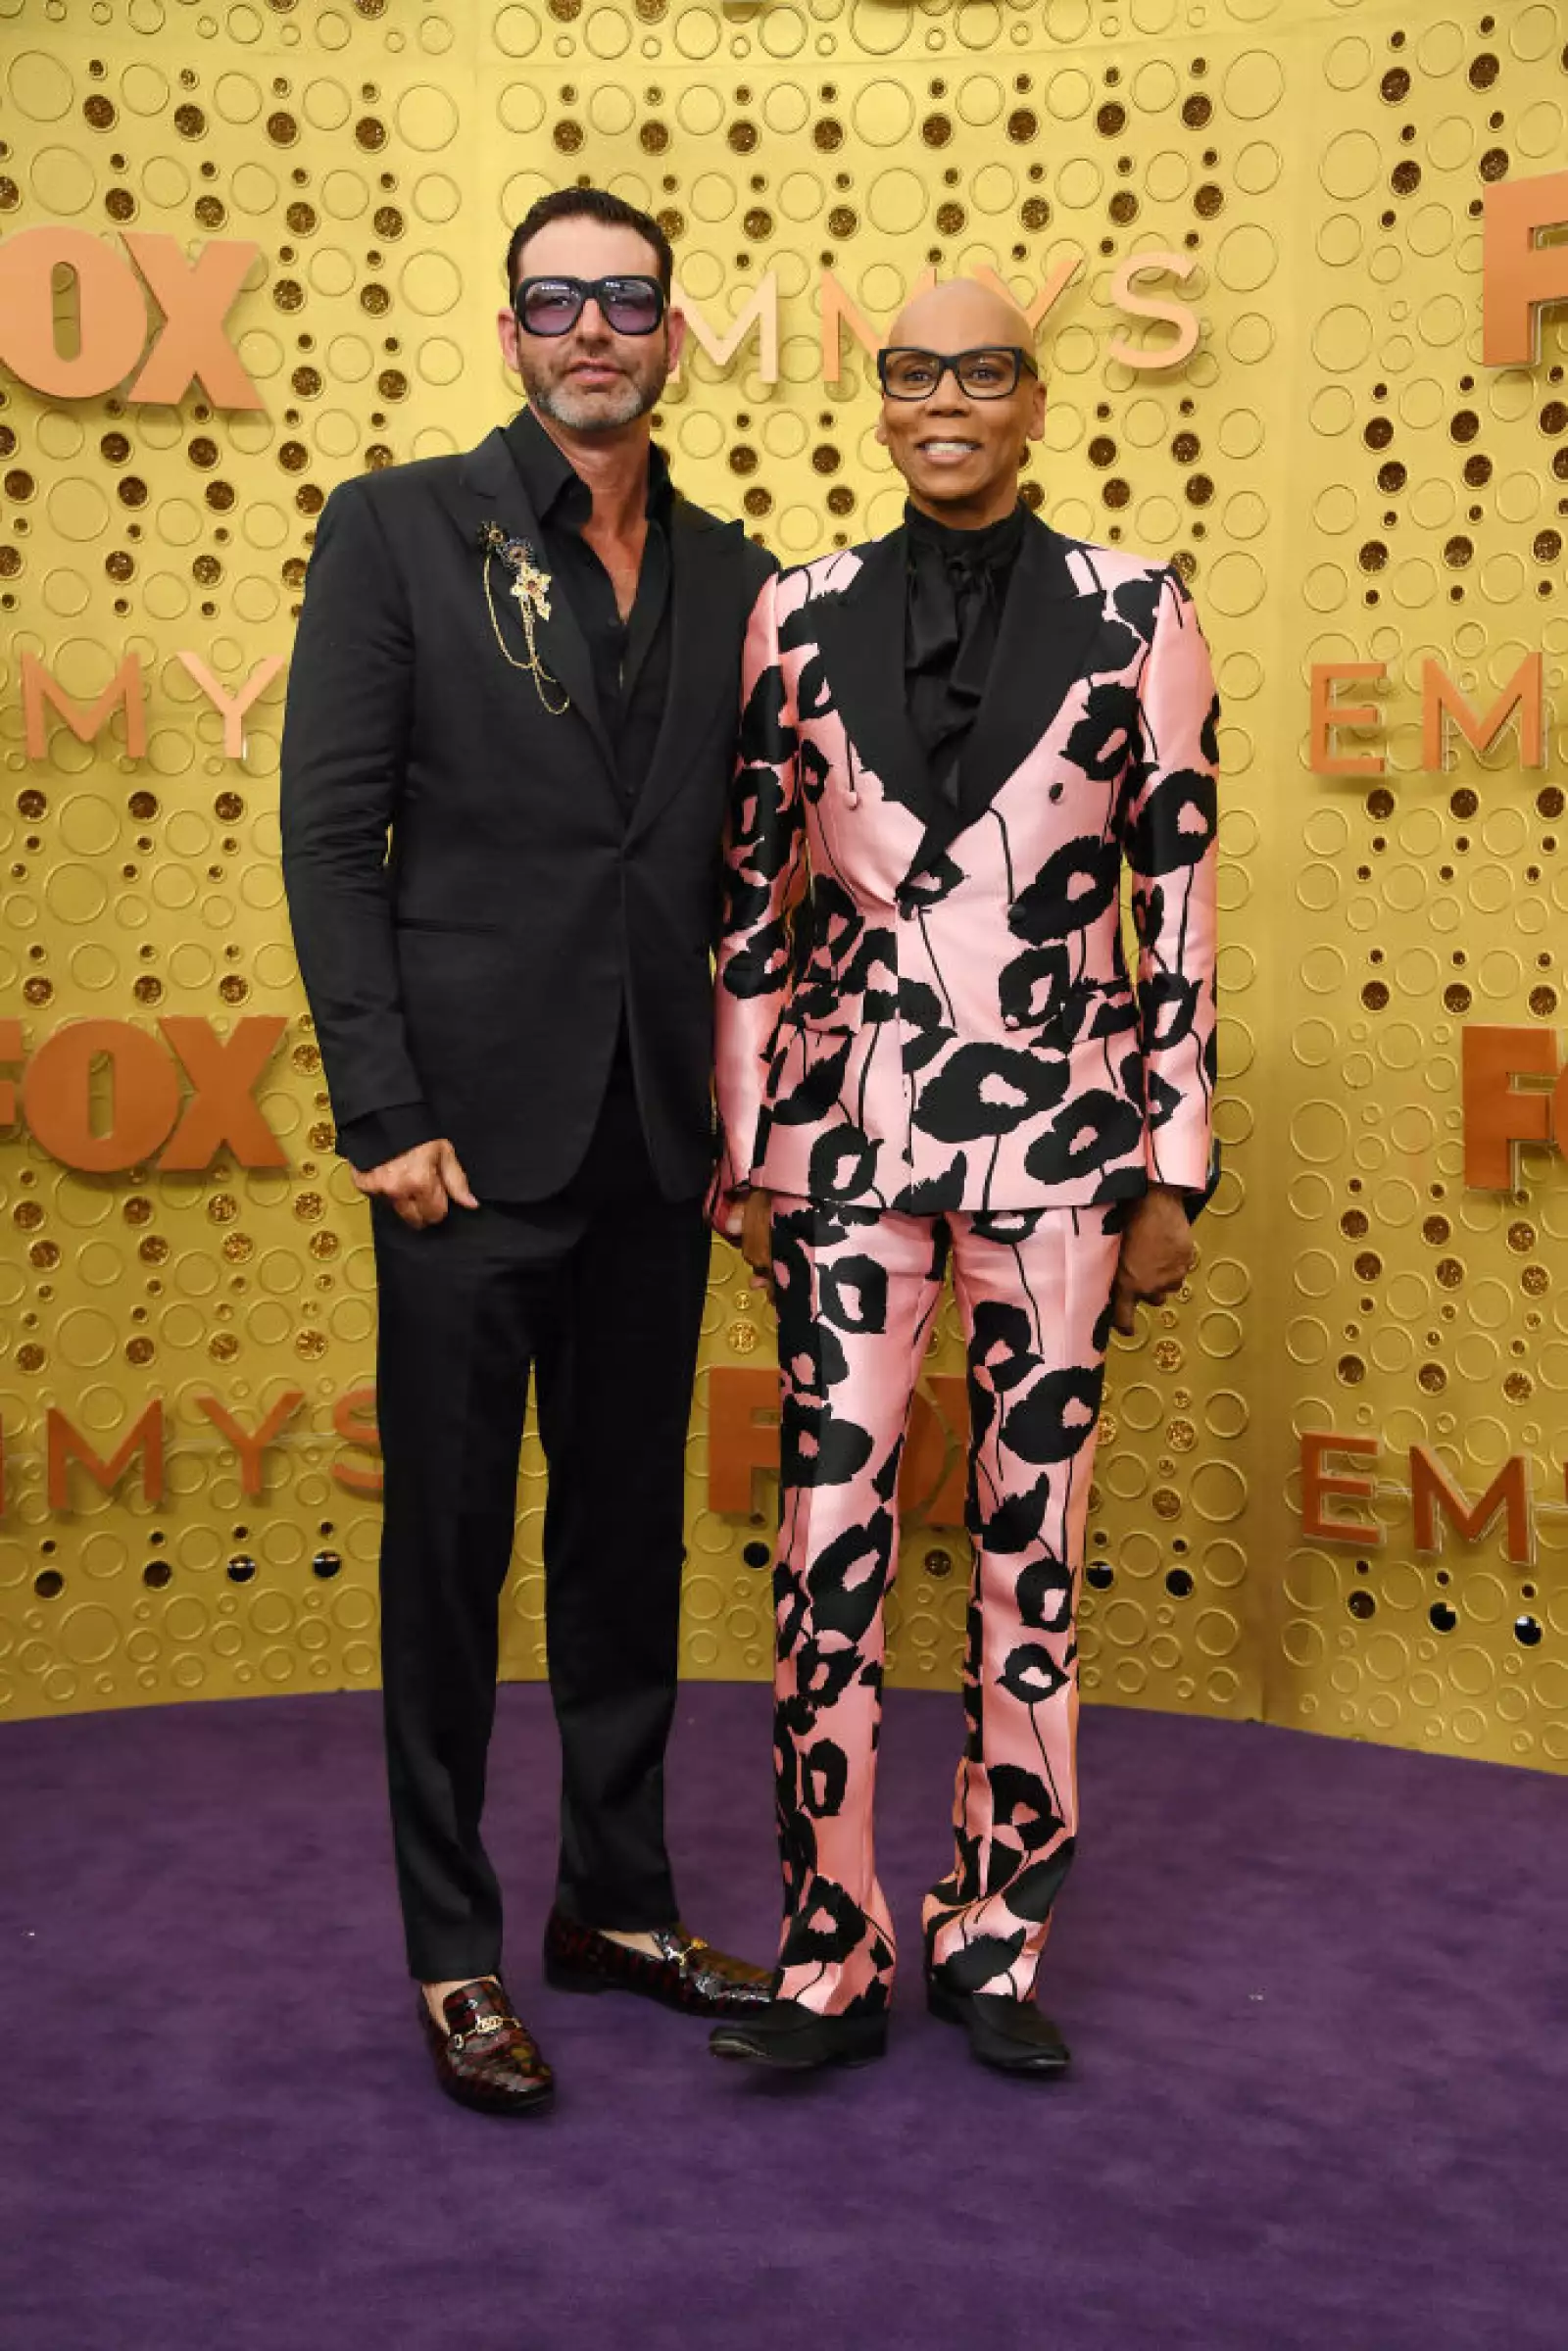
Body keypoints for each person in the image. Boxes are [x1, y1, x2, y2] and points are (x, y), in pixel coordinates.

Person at [280, 187, 774, 2118]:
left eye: (625, 299)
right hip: (463, 1152)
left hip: (659, 1139)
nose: (592, 328)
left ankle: (617, 1902)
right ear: (511, 333)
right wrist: (383, 1110)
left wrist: (753, 1113)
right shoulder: (399, 525)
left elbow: (750, 862)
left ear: (670, 333)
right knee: (451, 1556)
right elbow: (335, 839)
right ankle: (454, 1944)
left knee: (626, 1544)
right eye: (556, 300)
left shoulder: (741, 574)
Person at [705, 277, 1219, 2077]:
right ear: (882, 401)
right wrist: (752, 1141)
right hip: (847, 1151)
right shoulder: (798, 609)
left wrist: (1176, 1166)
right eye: (915, 371)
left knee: (1036, 1555)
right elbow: (754, 894)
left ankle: (996, 1936)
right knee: (825, 1552)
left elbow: (1180, 902)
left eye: (981, 371)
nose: (947, 398)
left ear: (1032, 400)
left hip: (1070, 1157)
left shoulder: (1141, 610)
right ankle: (828, 1948)